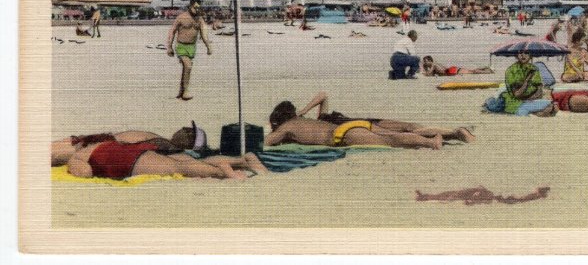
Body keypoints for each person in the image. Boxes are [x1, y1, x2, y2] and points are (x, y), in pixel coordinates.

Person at [52, 126, 267, 180]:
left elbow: (85, 173)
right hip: (139, 144)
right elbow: (130, 139)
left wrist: (72, 166)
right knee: (181, 162)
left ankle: (223, 172)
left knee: (178, 168)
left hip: (121, 156)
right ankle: (241, 161)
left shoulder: (78, 153)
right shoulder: (108, 137)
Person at [294, 91, 476, 142]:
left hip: (363, 126)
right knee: (410, 128)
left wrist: (303, 111)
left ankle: (453, 134)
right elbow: (322, 95)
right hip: (367, 124)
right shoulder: (321, 120)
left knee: (409, 130)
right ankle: (453, 133)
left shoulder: (320, 122)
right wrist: (304, 110)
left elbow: (323, 95)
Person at [266, 100, 444, 149]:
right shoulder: (304, 120)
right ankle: (432, 136)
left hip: (343, 135)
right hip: (355, 125)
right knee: (389, 134)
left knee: (390, 140)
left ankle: (430, 143)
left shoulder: (286, 128)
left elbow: (266, 142)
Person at [166, 0, 212, 101]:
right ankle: (186, 92)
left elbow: (204, 35)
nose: (197, 10)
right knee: (188, 66)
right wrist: (169, 47)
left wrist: (208, 47)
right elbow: (172, 31)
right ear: (190, 6)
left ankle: (181, 91)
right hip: (181, 46)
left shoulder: (199, 20)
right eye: (195, 7)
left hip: (192, 47)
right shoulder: (181, 17)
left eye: (198, 8)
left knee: (186, 69)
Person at [502, 50, 557, 116]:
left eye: (526, 53)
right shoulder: (511, 70)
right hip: (516, 103)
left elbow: (539, 90)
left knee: (554, 107)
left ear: (530, 55)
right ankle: (534, 114)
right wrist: (527, 80)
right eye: (520, 53)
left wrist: (533, 97)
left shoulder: (534, 68)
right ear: (516, 55)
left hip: (530, 101)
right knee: (522, 112)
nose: (523, 55)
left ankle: (535, 114)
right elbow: (517, 94)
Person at [421, 56, 493, 76]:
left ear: (430, 61)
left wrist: (423, 68)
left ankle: (488, 72)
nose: (425, 63)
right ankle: (486, 67)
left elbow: (428, 74)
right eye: (424, 62)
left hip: (451, 71)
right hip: (451, 70)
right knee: (472, 70)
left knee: (472, 71)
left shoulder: (434, 65)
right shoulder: (436, 64)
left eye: (426, 61)